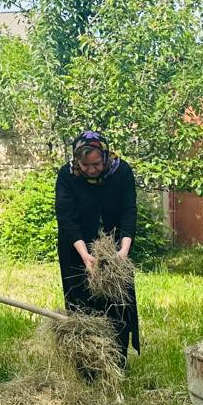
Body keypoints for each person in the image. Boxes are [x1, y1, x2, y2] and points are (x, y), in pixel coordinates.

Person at [54, 130, 140, 367]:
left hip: (114, 251)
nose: (91, 169)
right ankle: (87, 365)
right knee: (82, 306)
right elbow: (67, 219)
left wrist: (122, 252)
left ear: (105, 156)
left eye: (96, 163)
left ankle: (117, 362)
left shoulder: (121, 171)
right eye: (85, 165)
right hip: (76, 249)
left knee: (117, 305)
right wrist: (85, 256)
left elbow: (129, 212)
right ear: (76, 161)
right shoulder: (67, 175)